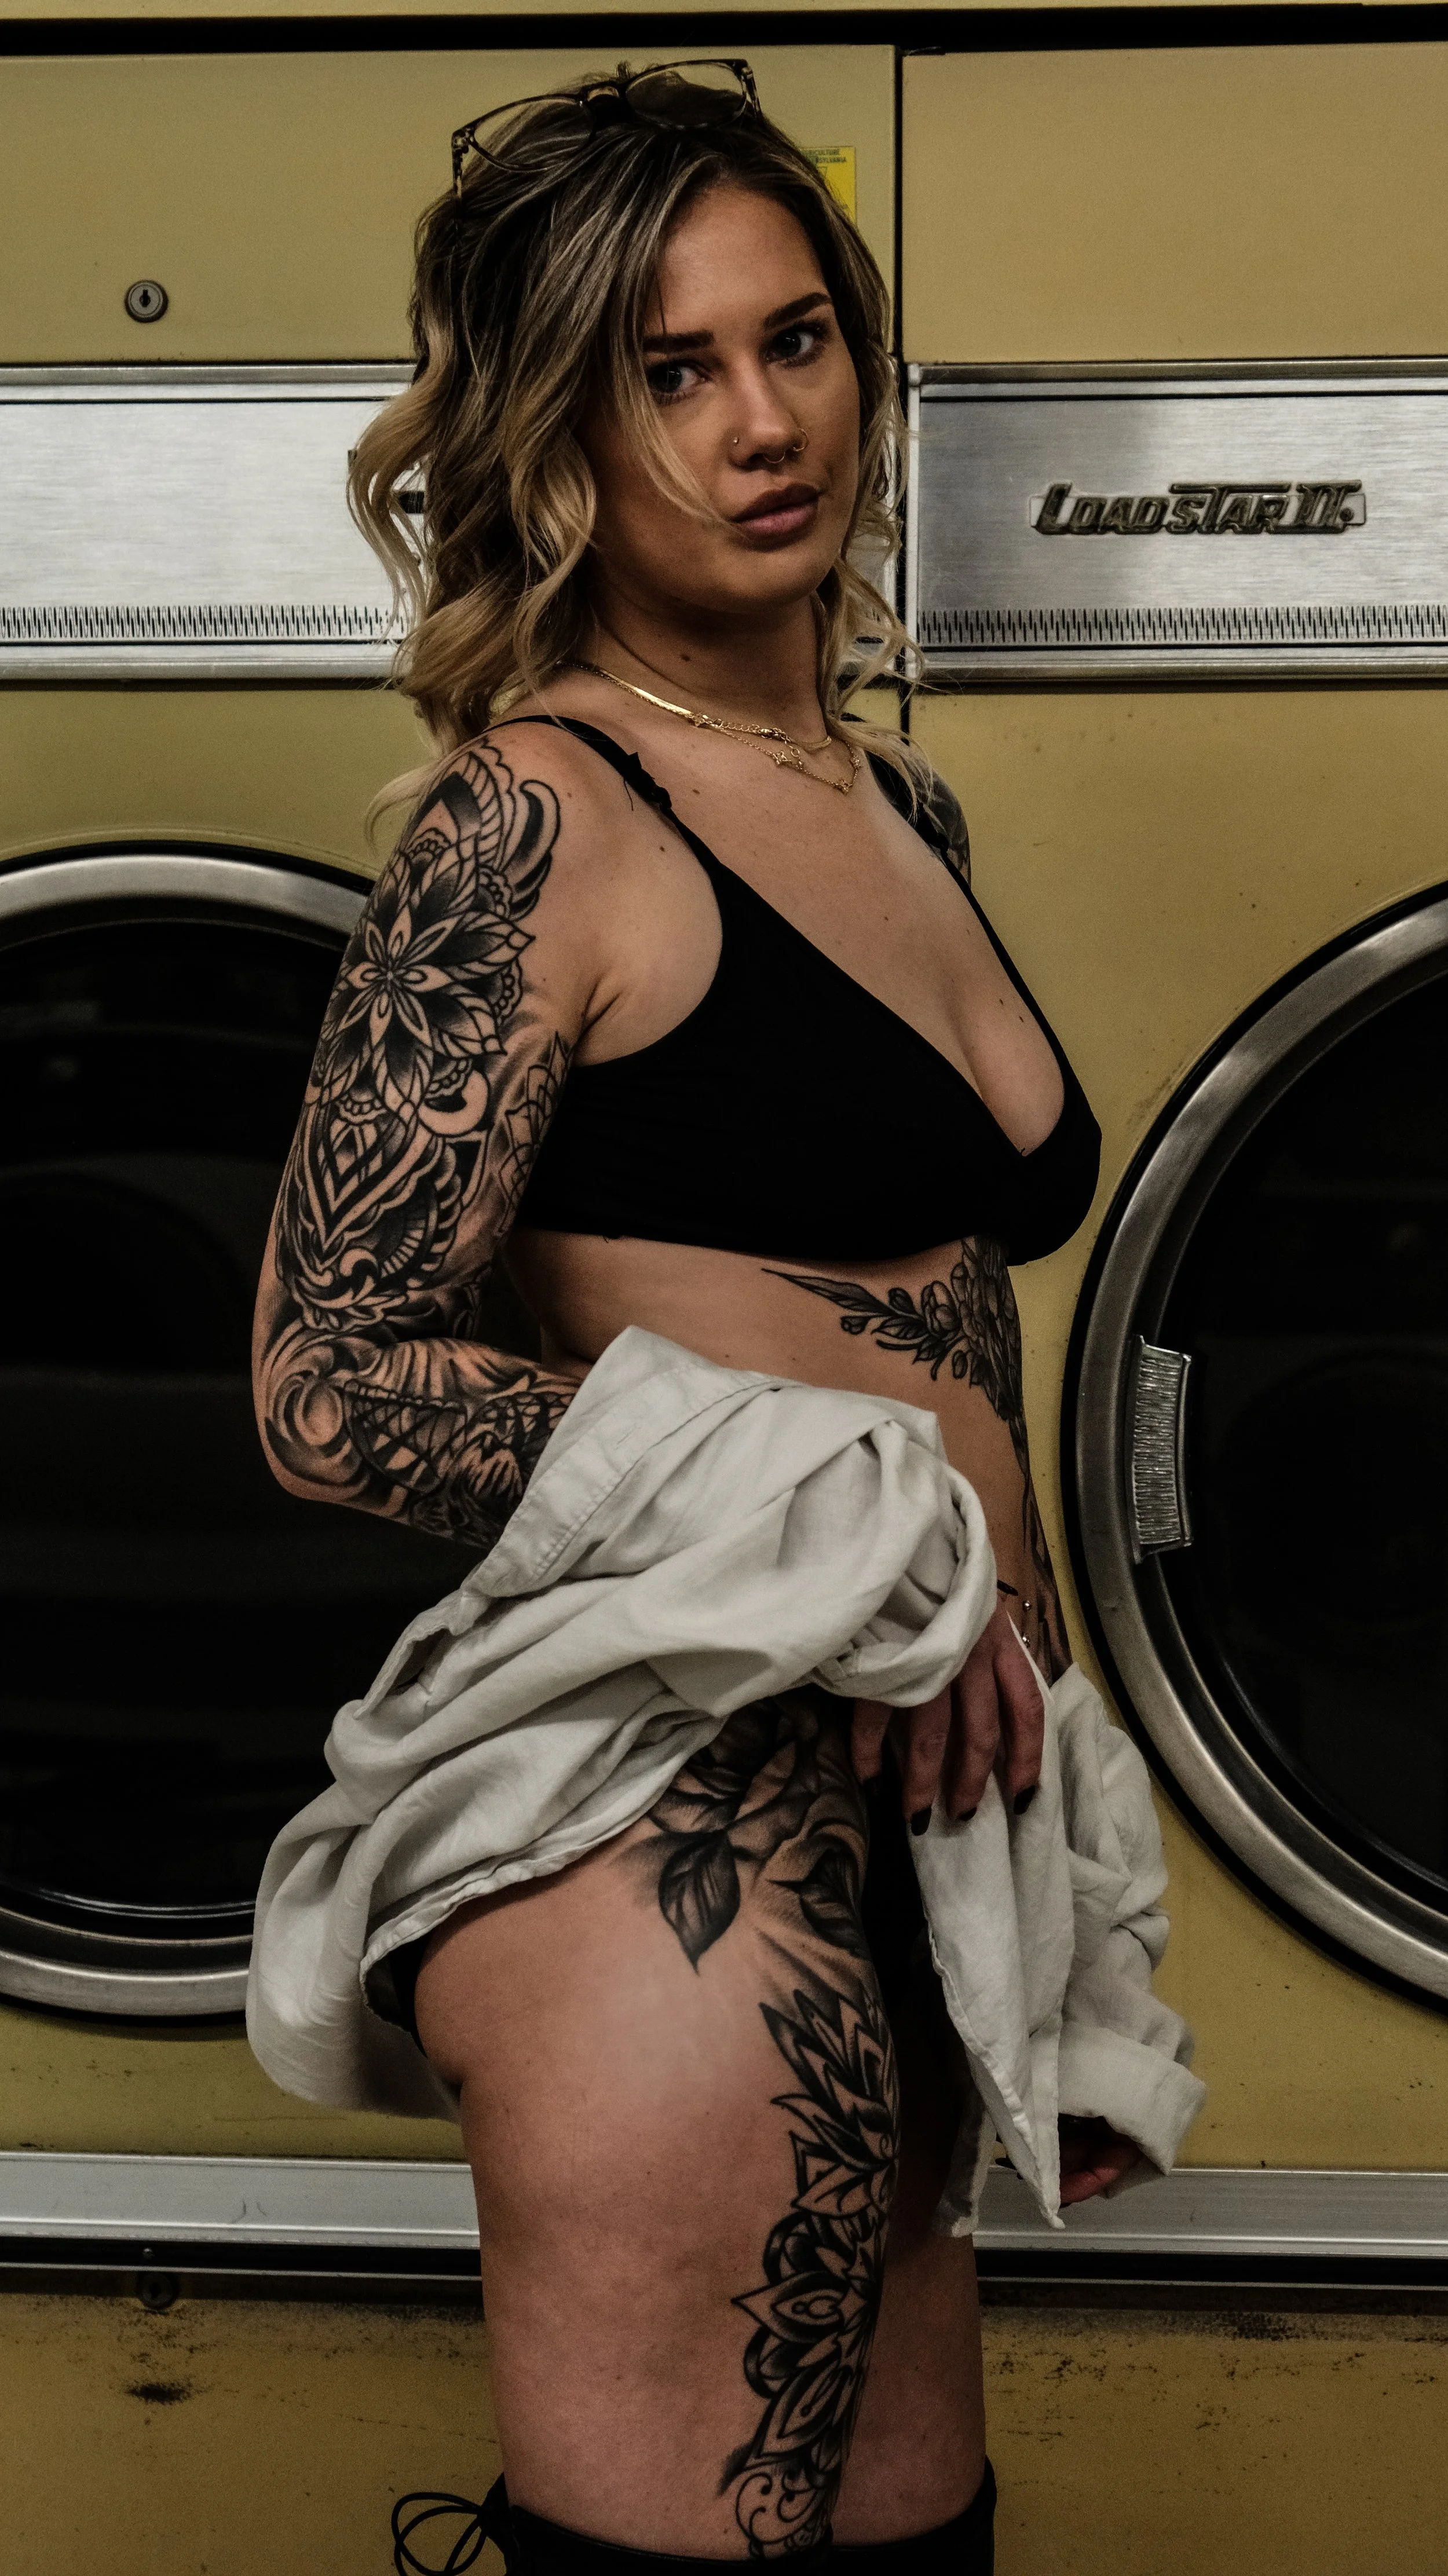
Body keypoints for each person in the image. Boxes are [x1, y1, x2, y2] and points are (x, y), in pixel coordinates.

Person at [250, 64, 1201, 2573]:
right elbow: (326, 1378)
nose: (763, 423)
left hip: (906, 1817)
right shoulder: (536, 818)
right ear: (556, 421)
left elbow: (937, 1325)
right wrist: (860, 1515)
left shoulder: (898, 804)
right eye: (670, 371)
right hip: (670, 1821)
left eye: (801, 342)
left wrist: (1035, 1793)